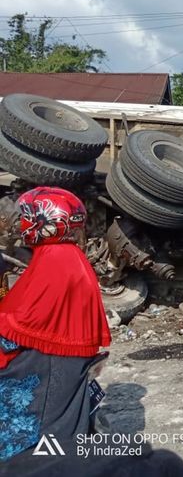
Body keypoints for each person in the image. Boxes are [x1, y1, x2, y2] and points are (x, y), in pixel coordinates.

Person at [0, 187, 111, 461]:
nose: (23, 224)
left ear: (47, 222)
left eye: (28, 218)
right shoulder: (63, 253)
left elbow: (29, 321)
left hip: (50, 357)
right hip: (61, 353)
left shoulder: (55, 259)